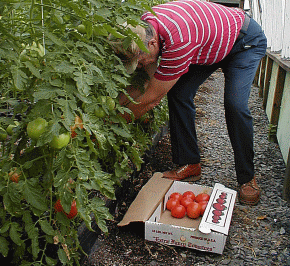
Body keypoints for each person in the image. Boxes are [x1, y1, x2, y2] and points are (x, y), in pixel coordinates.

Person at [112, 0, 267, 206]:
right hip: (211, 45)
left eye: (139, 61)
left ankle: (247, 177)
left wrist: (113, 123)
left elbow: (152, 98)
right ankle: (190, 163)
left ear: (152, 44)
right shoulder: (140, 28)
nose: (139, 65)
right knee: (178, 92)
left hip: (244, 42)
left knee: (235, 104)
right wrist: (114, 108)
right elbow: (148, 80)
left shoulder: (179, 41)